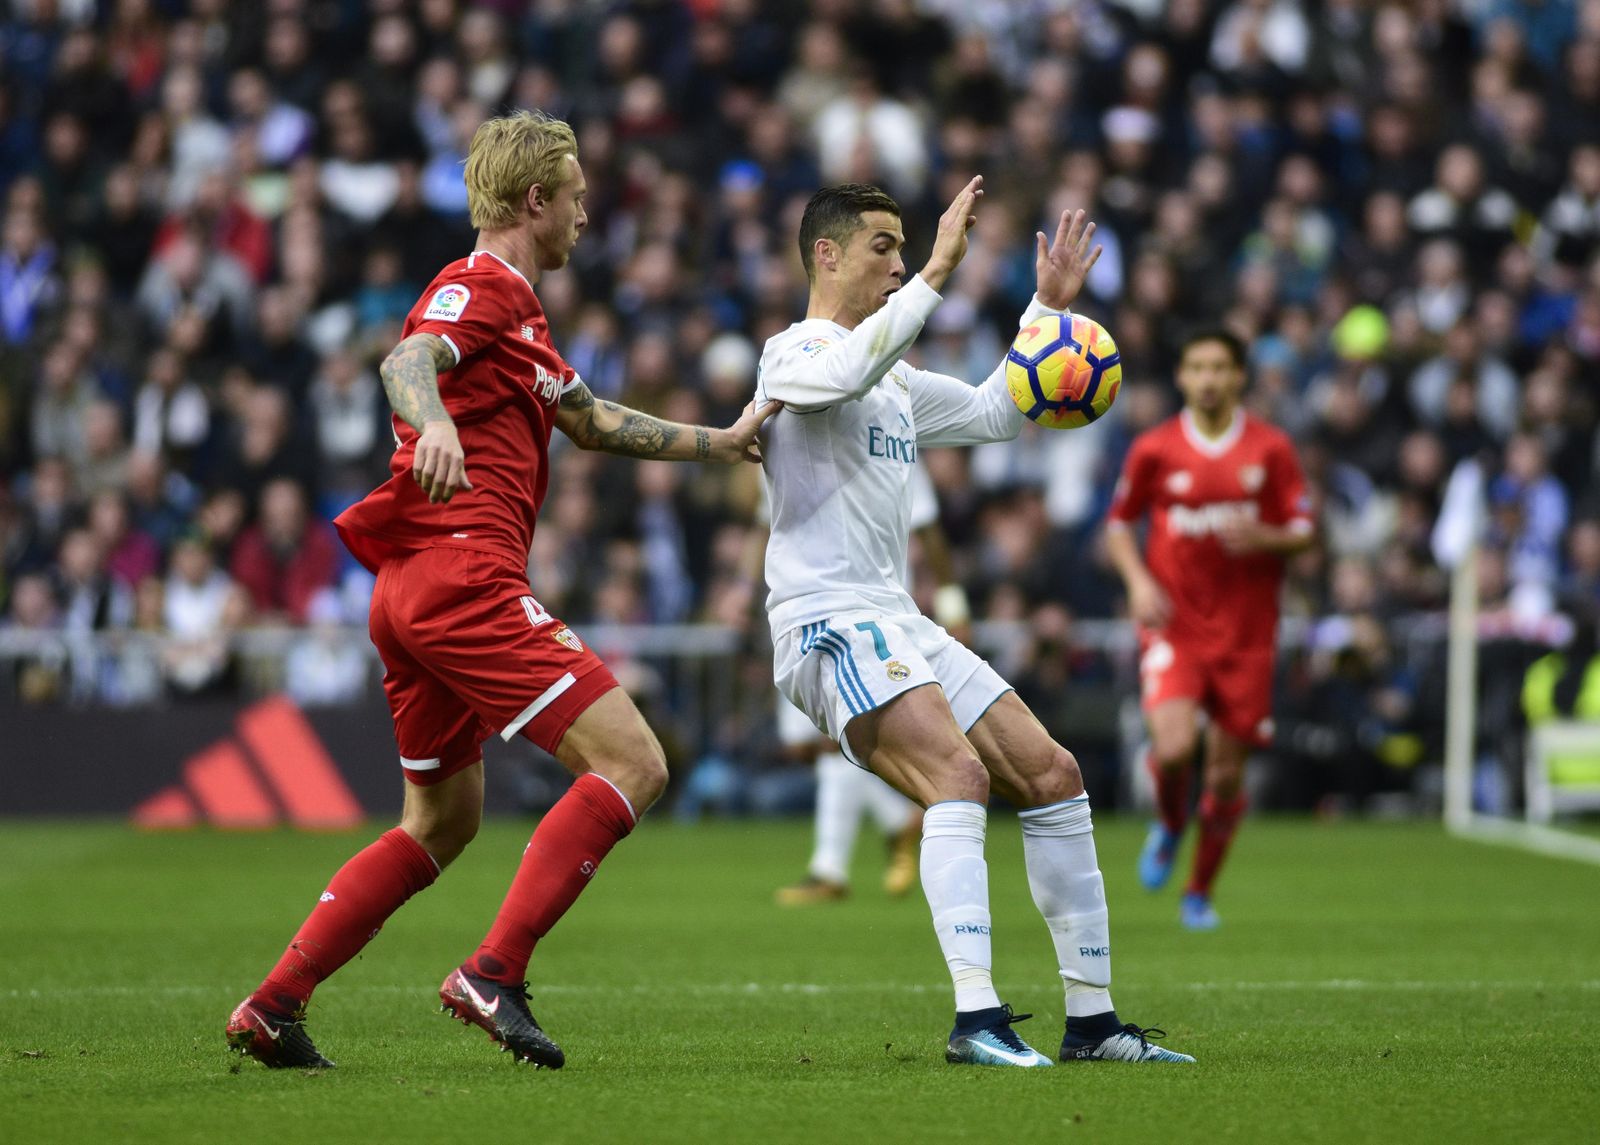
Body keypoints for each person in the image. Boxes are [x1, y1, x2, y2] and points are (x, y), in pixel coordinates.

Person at [226, 110, 775, 1071]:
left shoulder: (520, 317)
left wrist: (718, 444)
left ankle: (275, 1003)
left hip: (410, 589)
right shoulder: (475, 288)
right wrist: (431, 422)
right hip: (461, 570)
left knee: (442, 822)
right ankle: (495, 970)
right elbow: (405, 362)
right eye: (576, 201)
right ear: (535, 200)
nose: (585, 219)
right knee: (636, 763)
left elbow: (593, 419)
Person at [753, 180, 1192, 1067]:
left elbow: (999, 411)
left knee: (1053, 772)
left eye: (909, 247)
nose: (902, 262)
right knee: (957, 776)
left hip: (897, 618)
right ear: (826, 255)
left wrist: (1046, 311)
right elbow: (842, 370)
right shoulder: (791, 353)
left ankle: (1093, 1020)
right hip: (826, 620)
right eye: (884, 246)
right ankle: (976, 1019)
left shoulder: (898, 382)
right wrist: (946, 270)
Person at [1104, 328, 1315, 930]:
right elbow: (1119, 524)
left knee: (1224, 774)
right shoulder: (1155, 449)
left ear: (1239, 376)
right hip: (1176, 626)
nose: (1209, 379)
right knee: (1172, 750)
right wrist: (1140, 584)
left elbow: (1304, 530)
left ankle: (1197, 892)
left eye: (1220, 367)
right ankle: (1170, 823)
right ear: (1181, 377)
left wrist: (1268, 537)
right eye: (1197, 366)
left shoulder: (1270, 450)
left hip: (1249, 635)